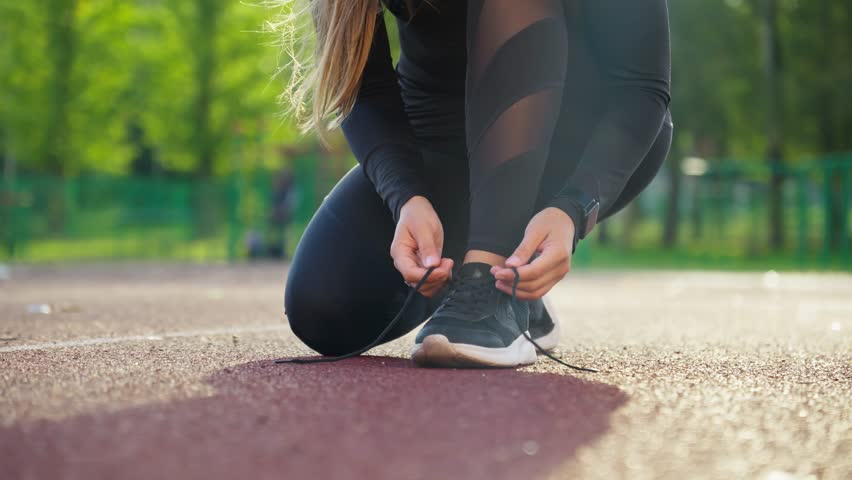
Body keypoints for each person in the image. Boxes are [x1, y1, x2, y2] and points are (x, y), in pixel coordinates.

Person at [281, 0, 673, 368]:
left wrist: (573, 206)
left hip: (577, 144)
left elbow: (641, 90)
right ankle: (516, 294)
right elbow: (362, 86)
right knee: (324, 308)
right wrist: (406, 197)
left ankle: (489, 282)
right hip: (442, 144)